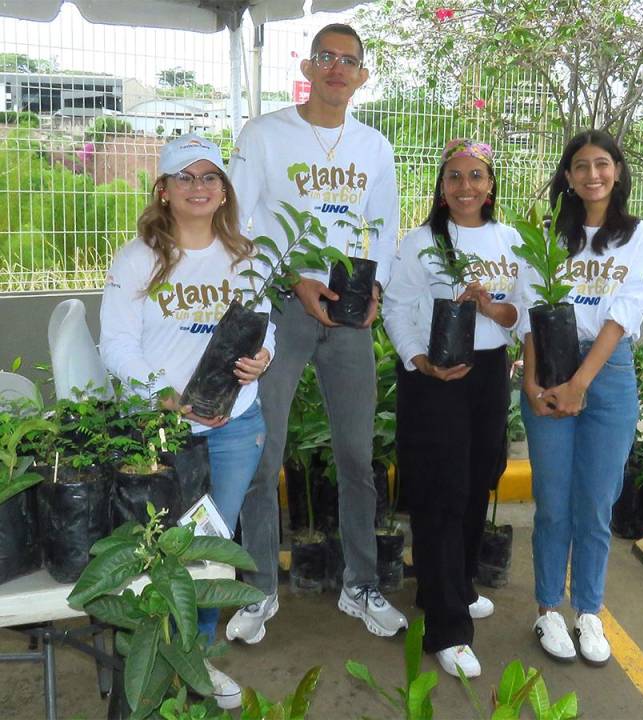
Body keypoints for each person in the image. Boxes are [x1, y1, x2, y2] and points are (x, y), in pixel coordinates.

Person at [226, 23, 405, 641]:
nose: (335, 68)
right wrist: (291, 277)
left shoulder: (374, 146)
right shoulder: (265, 135)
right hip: (281, 306)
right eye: (325, 56)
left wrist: (374, 289)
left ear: (363, 74)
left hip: (349, 312)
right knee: (262, 452)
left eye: (348, 60)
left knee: (357, 456)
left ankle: (361, 583)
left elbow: (382, 227)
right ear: (307, 65)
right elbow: (237, 227)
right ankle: (258, 592)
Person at [99, 133, 274, 710]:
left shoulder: (247, 257)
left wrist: (263, 357)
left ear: (224, 191)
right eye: (185, 178)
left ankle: (196, 659)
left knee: (208, 553)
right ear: (165, 191)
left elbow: (262, 327)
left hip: (233, 427)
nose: (198, 188)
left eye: (209, 177)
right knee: (159, 556)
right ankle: (155, 663)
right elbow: (118, 347)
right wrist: (166, 396)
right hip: (164, 432)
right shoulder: (138, 259)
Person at [520, 130, 643, 667]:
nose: (592, 175)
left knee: (596, 504)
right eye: (580, 166)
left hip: (606, 373)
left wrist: (581, 383)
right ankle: (547, 608)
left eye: (602, 164)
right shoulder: (549, 237)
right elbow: (531, 310)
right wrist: (533, 384)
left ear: (619, 171)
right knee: (553, 504)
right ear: (568, 176)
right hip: (550, 364)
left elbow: (627, 311)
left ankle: (588, 610)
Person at [383, 139, 520, 678]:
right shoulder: (420, 242)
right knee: (441, 491)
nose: (466, 186)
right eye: (454, 177)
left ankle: (453, 588)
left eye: (476, 176)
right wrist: (419, 359)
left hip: (487, 375)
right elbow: (394, 308)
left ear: (491, 184)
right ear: (441, 187)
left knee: (479, 478)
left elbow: (518, 316)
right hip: (434, 375)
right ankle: (448, 628)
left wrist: (488, 303)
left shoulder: (510, 241)